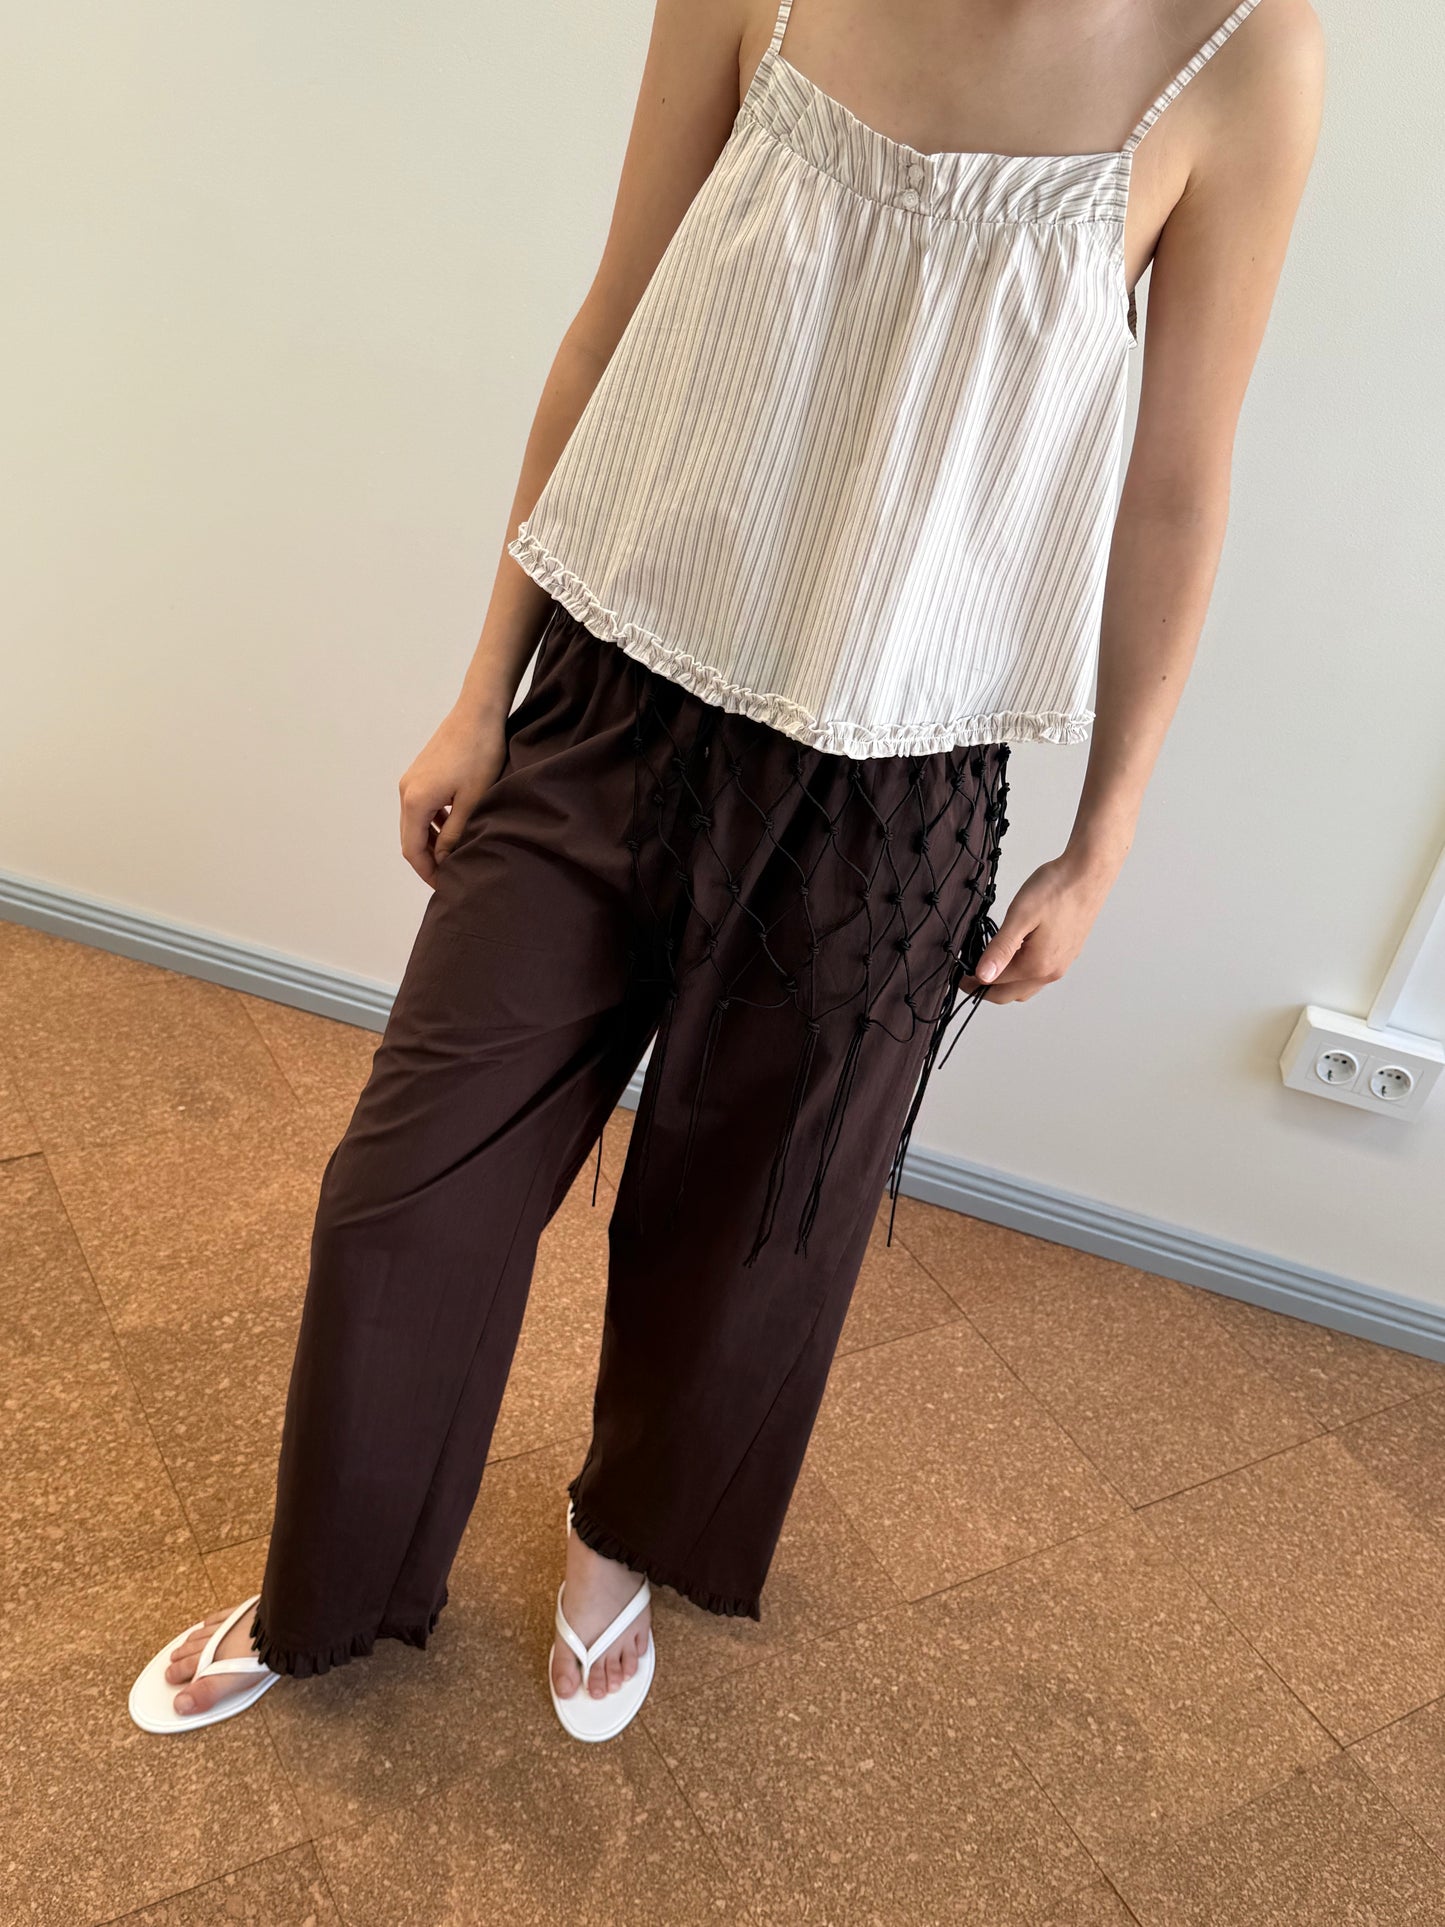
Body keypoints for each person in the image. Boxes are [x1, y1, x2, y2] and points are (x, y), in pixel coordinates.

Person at [128, 0, 1323, 1742]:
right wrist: (482, 693)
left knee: (754, 1231)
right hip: (614, 687)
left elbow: (1175, 487)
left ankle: (619, 1550)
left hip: (895, 785)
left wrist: (1107, 832)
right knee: (408, 1196)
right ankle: (333, 1577)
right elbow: (613, 323)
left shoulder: (1241, 57)